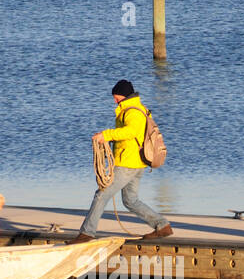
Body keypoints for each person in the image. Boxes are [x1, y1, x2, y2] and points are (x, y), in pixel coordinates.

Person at [71, 79, 172, 243]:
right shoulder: (139, 108)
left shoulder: (132, 111)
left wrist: (107, 135)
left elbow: (130, 131)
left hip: (127, 163)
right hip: (137, 163)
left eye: (116, 97)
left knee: (101, 195)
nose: (114, 100)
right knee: (130, 201)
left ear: (123, 95)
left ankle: (86, 233)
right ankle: (162, 225)